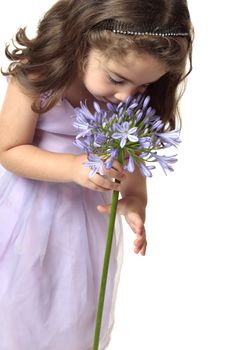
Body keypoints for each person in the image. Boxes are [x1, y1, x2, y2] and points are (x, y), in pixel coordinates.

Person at [0, 0, 193, 349]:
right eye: (117, 79)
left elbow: (130, 171)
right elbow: (9, 150)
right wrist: (74, 167)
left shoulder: (126, 97)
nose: (125, 97)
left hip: (82, 226)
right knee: (15, 306)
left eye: (143, 87)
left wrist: (135, 202)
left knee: (74, 313)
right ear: (81, 42)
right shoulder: (40, 74)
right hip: (24, 216)